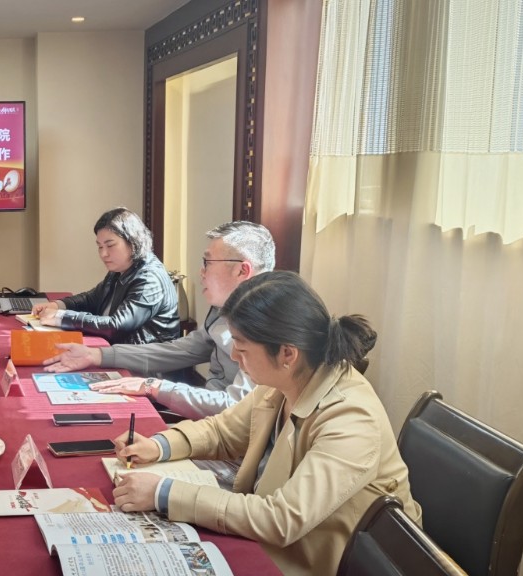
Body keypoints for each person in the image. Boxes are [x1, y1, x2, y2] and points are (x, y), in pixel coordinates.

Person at [110, 271, 418, 575]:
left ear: (287, 353)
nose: (234, 355)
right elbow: (222, 432)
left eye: (242, 347)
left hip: (321, 560)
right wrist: (159, 445)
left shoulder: (351, 418)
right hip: (279, 540)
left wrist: (163, 493)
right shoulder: (288, 379)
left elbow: (282, 519)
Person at [43, 221, 275, 424]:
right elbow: (181, 350)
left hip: (228, 440)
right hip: (206, 425)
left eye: (207, 262)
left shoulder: (266, 325)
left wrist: (154, 386)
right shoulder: (224, 310)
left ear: (242, 271)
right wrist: (99, 355)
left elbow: (235, 408)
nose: (201, 272)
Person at [30, 207, 180, 345]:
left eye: (110, 245)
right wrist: (57, 305)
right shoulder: (121, 268)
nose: (103, 254)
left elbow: (117, 325)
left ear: (133, 241)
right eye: (100, 246)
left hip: (144, 361)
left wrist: (61, 317)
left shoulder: (149, 279)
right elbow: (92, 299)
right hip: (119, 350)